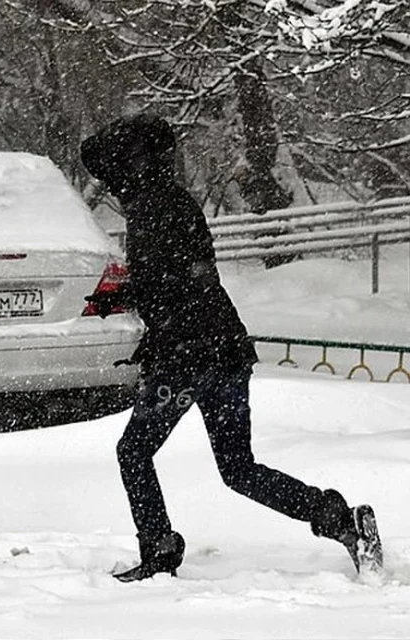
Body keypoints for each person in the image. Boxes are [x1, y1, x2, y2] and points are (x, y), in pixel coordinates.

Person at [80, 113, 381, 582]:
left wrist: (124, 296)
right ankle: (339, 519)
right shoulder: (173, 200)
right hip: (223, 349)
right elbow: (185, 277)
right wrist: (128, 295)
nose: (112, 182)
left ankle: (159, 550)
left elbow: (168, 283)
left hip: (187, 356)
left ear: (132, 165)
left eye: (116, 170)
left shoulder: (151, 207)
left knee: (133, 452)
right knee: (239, 468)